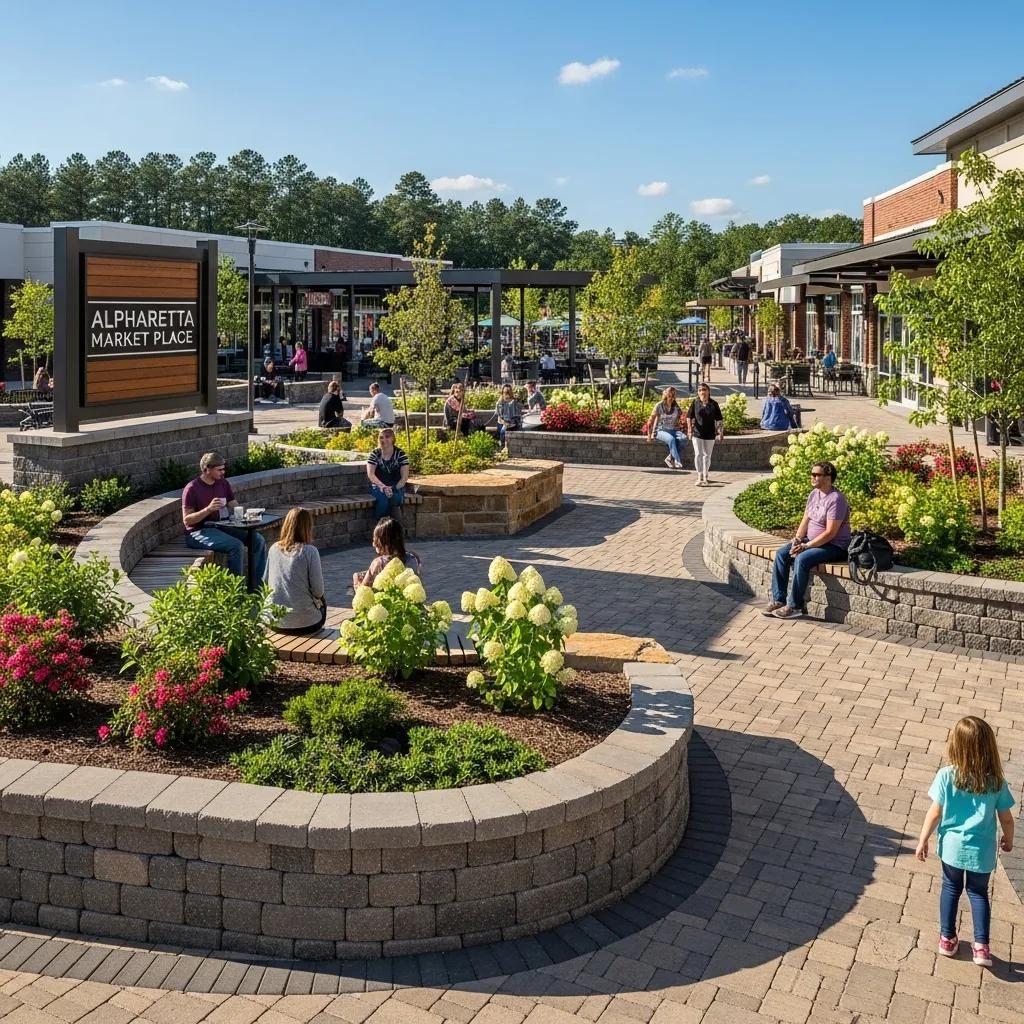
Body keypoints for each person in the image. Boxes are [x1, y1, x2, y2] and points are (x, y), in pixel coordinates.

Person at [915, 716, 1014, 968]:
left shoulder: (947, 776)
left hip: (952, 848)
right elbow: (1007, 819)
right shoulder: (996, 782)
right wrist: (1009, 840)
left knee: (951, 888)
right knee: (978, 893)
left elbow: (934, 812)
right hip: (982, 852)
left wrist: (923, 838)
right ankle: (981, 947)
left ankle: (947, 938)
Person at [765, 460, 851, 620]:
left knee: (802, 559)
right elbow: (806, 519)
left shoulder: (836, 499)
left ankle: (795, 606)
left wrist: (806, 546)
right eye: (812, 474)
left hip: (833, 546)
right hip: (810, 541)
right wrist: (798, 539)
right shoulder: (814, 494)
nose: (812, 477)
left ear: (828, 477)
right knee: (782, 554)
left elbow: (831, 532)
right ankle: (778, 599)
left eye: (816, 475)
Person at [182, 451, 267, 582]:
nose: (223, 472)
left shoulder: (223, 483)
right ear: (207, 469)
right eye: (219, 470)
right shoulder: (192, 488)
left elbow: (233, 503)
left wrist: (246, 514)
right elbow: (188, 520)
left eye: (223, 469)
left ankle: (258, 586)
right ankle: (236, 589)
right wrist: (208, 509)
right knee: (236, 545)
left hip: (221, 526)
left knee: (257, 540)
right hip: (198, 532)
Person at [265, 508, 326, 635]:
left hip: (273, 621)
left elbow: (266, 582)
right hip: (305, 623)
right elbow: (318, 591)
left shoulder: (273, 549)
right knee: (322, 605)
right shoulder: (310, 551)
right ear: (307, 527)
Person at [352, 516, 422, 590]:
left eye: (375, 540)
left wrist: (357, 582)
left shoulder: (379, 563)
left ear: (385, 542)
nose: (373, 544)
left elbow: (365, 589)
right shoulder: (413, 558)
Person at [366, 428, 409, 520]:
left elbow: (404, 478)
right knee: (383, 501)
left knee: (396, 499)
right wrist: (383, 487)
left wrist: (393, 488)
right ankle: (379, 525)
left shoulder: (400, 454)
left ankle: (395, 527)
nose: (384, 439)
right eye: (381, 437)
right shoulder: (375, 454)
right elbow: (371, 474)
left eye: (387, 437)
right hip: (378, 486)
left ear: (393, 439)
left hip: (396, 486)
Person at [686, 383, 724, 486]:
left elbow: (719, 419)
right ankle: (699, 476)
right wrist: (689, 430)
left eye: (704, 390)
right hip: (697, 433)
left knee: (707, 455)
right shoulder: (695, 403)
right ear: (698, 393)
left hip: (710, 433)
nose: (702, 392)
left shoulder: (714, 404)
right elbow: (689, 416)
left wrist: (720, 432)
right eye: (700, 390)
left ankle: (705, 475)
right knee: (698, 454)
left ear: (708, 391)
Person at [646, 386, 687, 470]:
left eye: (673, 396)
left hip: (672, 430)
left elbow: (679, 418)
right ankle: (676, 460)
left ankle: (669, 458)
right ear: (665, 395)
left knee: (683, 438)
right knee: (671, 439)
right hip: (660, 430)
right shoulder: (659, 406)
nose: (671, 398)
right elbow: (650, 420)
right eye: (669, 396)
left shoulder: (676, 407)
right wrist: (649, 435)